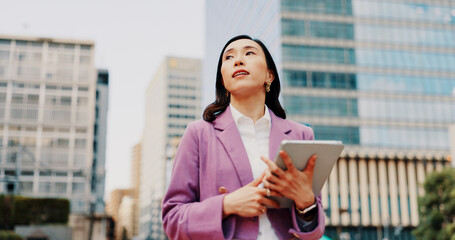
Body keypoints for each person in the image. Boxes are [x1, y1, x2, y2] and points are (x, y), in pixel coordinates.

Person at [162, 35, 325, 240]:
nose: (238, 60)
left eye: (249, 53)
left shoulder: (301, 135)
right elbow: (172, 220)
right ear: (223, 80)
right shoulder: (198, 134)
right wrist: (226, 205)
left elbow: (315, 231)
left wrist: (306, 202)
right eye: (229, 57)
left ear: (269, 75)